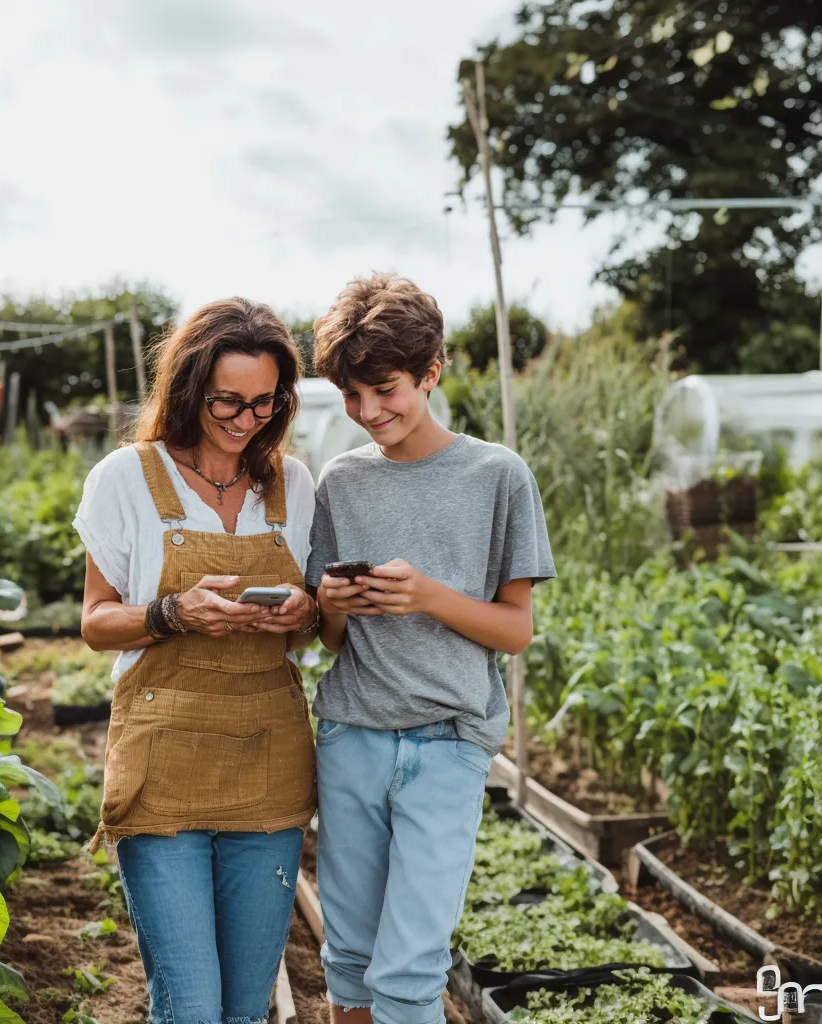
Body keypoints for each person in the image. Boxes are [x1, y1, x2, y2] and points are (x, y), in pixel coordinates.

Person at [305, 273, 556, 1024]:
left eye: (385, 389)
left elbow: (516, 630)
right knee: (348, 960)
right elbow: (327, 639)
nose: (368, 412)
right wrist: (334, 606)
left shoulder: (497, 477)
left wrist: (428, 596)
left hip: (448, 744)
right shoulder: (341, 482)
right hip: (353, 736)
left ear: (431, 372)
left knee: (411, 969)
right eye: (351, 396)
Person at [74, 297, 320, 1024]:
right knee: (188, 1007)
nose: (247, 421)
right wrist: (171, 613)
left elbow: (307, 634)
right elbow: (94, 622)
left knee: (245, 1009)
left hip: (268, 761)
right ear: (189, 389)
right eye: (227, 402)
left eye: (264, 405)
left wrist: (303, 613)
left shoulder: (293, 485)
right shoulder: (128, 478)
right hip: (163, 767)